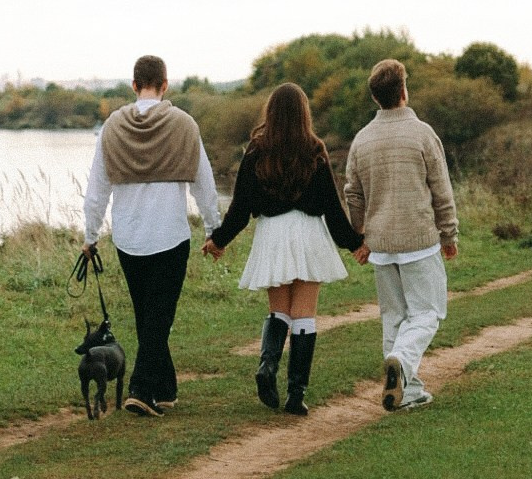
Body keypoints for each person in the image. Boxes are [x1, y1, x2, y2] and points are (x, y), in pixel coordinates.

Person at [202, 81, 362, 416]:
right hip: (308, 234)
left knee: (280, 312)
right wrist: (355, 244)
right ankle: (295, 394)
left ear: (270, 113)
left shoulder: (256, 151)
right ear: (304, 114)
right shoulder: (315, 150)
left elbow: (240, 209)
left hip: (273, 234)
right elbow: (333, 209)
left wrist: (218, 240)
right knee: (305, 315)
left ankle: (267, 367)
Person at [82, 54, 221, 418]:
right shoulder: (184, 124)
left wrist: (90, 234)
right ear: (165, 85)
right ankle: (142, 390)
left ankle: (165, 386)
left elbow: (97, 187)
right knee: (158, 318)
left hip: (128, 239)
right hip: (171, 237)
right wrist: (213, 228)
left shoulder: (112, 127)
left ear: (133, 85)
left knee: (150, 316)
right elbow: (204, 183)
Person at [344, 57, 458, 413]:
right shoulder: (422, 133)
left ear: (376, 98)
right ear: (404, 91)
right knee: (428, 313)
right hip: (419, 240)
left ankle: (408, 391)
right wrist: (449, 233)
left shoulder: (362, 139)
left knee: (394, 317)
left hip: (380, 245)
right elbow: (441, 188)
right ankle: (401, 362)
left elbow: (353, 193)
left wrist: (359, 235)